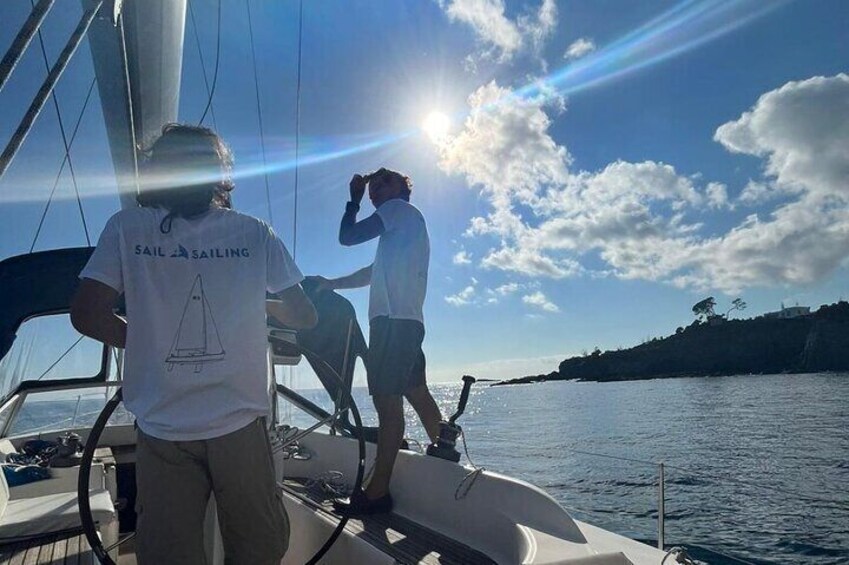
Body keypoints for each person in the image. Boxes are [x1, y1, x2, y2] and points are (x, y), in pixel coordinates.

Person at [70, 124, 316, 565]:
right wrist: (256, 307)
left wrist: (148, 342)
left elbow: (87, 314)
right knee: (258, 549)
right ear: (220, 173)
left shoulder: (126, 228)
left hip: (162, 428)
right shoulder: (255, 232)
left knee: (168, 555)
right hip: (240, 426)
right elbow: (306, 315)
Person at [308, 168, 442, 515]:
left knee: (386, 403)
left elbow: (347, 237)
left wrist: (353, 200)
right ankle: (445, 454)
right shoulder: (404, 228)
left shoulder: (398, 211)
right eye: (372, 186)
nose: (375, 189)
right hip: (409, 323)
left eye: (384, 182)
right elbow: (371, 273)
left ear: (403, 188)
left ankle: (377, 492)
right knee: (417, 393)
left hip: (392, 325)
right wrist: (332, 283)